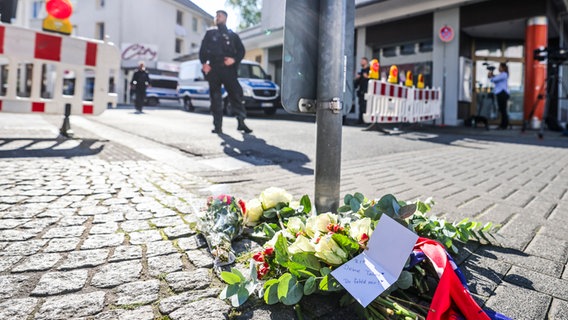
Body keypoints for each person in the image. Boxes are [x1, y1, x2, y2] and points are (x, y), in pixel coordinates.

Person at [199, 10, 251, 134]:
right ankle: (217, 126)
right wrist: (204, 63)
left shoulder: (232, 35)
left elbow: (241, 51)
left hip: (228, 70)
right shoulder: (210, 33)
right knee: (215, 98)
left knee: (236, 95)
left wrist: (234, 60)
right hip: (214, 70)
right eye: (216, 15)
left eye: (220, 15)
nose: (217, 17)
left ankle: (241, 122)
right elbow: (203, 50)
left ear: (226, 18)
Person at [488, 62, 509, 129]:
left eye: (500, 67)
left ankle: (504, 125)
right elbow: (494, 79)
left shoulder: (504, 74)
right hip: (500, 93)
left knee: (503, 109)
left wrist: (491, 76)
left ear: (503, 68)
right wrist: (491, 75)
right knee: (502, 109)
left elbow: (494, 79)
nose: (498, 68)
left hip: (502, 93)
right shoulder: (502, 75)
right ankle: (503, 124)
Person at [354, 57, 370, 124]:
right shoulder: (360, 72)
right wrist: (356, 79)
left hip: (367, 91)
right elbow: (356, 84)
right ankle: (360, 120)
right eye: (361, 61)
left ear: (366, 62)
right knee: (361, 106)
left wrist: (367, 77)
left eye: (362, 61)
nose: (361, 62)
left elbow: (373, 80)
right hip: (361, 92)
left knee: (366, 106)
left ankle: (367, 120)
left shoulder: (370, 71)